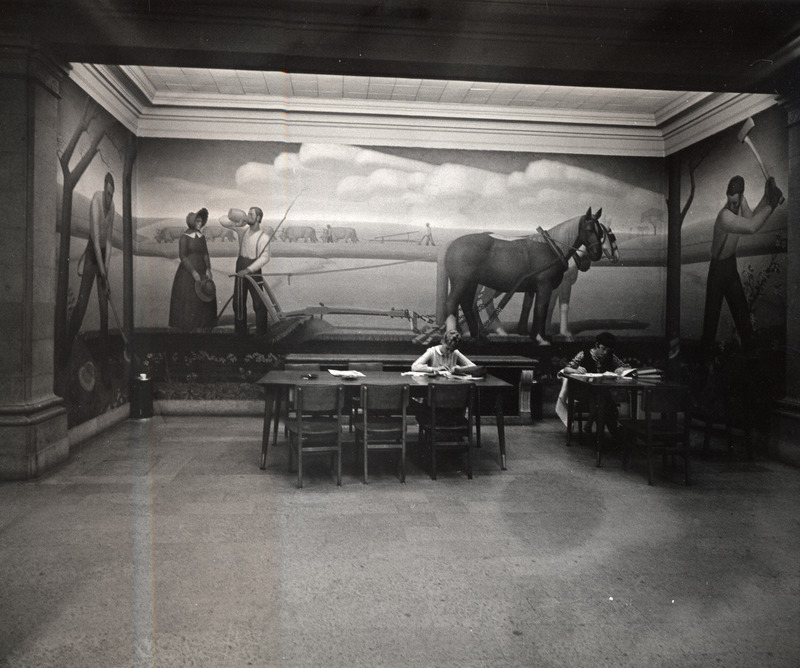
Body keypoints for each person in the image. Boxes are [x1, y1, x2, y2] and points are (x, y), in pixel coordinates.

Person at [701, 175, 783, 359]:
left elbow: (751, 217)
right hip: (717, 272)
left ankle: (752, 365)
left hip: (730, 268)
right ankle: (703, 370)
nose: (732, 206)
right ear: (727, 197)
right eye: (730, 202)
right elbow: (752, 227)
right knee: (710, 327)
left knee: (744, 321)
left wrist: (767, 196)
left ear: (740, 196)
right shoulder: (725, 216)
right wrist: (772, 204)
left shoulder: (740, 202)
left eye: (735, 202)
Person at [66, 172, 116, 364]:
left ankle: (103, 363)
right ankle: (66, 351)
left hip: (103, 255)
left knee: (105, 312)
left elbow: (109, 241)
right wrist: (101, 271)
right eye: (108, 193)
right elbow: (96, 241)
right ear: (104, 188)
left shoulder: (112, 207)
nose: (109, 198)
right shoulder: (96, 201)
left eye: (112, 195)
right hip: (92, 254)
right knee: (82, 302)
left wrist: (107, 270)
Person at [559, 332, 631, 435]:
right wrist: (575, 370)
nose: (606, 352)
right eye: (603, 348)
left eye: (608, 350)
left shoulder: (611, 356)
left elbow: (627, 366)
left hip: (600, 392)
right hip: (583, 392)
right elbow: (566, 369)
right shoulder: (584, 354)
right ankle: (607, 433)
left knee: (602, 399)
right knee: (602, 399)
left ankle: (594, 426)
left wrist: (621, 368)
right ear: (597, 345)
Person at [221, 206, 273, 337]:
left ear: (258, 218)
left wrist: (249, 269)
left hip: (253, 269)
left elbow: (265, 258)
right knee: (238, 302)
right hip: (240, 266)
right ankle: (240, 333)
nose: (248, 216)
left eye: (251, 214)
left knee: (258, 302)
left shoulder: (263, 237)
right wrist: (240, 220)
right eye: (248, 214)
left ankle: (262, 334)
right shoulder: (242, 229)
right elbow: (221, 220)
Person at [169, 208, 216, 331]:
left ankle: (203, 328)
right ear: (191, 222)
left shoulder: (202, 237)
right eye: (197, 221)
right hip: (187, 272)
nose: (199, 224)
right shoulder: (184, 237)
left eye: (200, 221)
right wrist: (193, 272)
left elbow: (205, 254)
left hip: (202, 271)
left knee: (204, 297)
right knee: (188, 300)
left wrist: (208, 269)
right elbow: (183, 256)